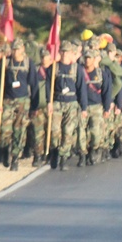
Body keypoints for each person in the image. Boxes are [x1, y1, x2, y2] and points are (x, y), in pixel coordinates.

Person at [0, 38, 37, 171]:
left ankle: (15, 158)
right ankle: (4, 151)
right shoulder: (6, 62)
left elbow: (33, 84)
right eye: (14, 49)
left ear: (23, 50)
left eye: (18, 49)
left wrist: (34, 105)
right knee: (5, 130)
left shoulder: (28, 63)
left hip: (23, 100)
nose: (15, 52)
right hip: (8, 100)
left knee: (19, 131)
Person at [48, 41, 88, 170]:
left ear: (72, 54)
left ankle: (63, 157)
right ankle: (54, 151)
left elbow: (82, 89)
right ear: (59, 52)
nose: (65, 54)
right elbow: (48, 87)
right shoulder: (54, 68)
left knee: (68, 132)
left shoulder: (77, 69)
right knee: (55, 131)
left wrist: (84, 107)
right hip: (57, 102)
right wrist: (49, 102)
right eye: (63, 51)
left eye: (67, 52)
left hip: (71, 103)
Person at [80, 48, 112, 166]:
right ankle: (83, 155)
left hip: (96, 107)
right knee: (81, 134)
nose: (88, 60)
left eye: (90, 58)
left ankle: (94, 149)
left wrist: (107, 108)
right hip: (82, 107)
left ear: (94, 60)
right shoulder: (80, 72)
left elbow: (107, 91)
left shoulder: (101, 74)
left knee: (95, 132)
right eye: (86, 58)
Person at [30, 47, 55, 166]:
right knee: (38, 132)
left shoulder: (54, 69)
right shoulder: (35, 70)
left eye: (47, 57)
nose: (45, 59)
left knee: (51, 130)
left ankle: (49, 153)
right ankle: (37, 155)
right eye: (43, 57)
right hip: (38, 105)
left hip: (51, 105)